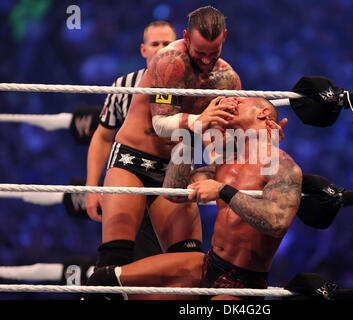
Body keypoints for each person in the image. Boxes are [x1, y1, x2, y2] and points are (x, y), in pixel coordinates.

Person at [85, 97, 302, 301]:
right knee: (104, 282)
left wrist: (223, 191)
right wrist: (191, 135)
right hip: (208, 264)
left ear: (263, 113)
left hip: (244, 282)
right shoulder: (226, 164)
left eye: (241, 101)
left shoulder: (282, 165)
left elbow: (277, 223)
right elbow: (174, 190)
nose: (233, 103)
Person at [98, 6, 243, 269]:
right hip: (133, 160)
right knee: (115, 260)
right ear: (186, 37)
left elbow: (218, 138)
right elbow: (161, 124)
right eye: (200, 53)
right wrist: (199, 121)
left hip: (176, 168)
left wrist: (214, 168)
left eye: (214, 53)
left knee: (190, 263)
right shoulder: (170, 61)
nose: (207, 61)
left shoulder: (227, 80)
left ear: (224, 37)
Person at [85, 21, 177, 263]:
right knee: (120, 255)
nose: (161, 49)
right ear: (143, 50)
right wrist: (92, 187)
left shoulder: (189, 86)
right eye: (154, 44)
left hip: (169, 181)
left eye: (167, 44)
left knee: (171, 261)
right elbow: (103, 136)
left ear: (177, 47)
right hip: (128, 175)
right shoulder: (123, 86)